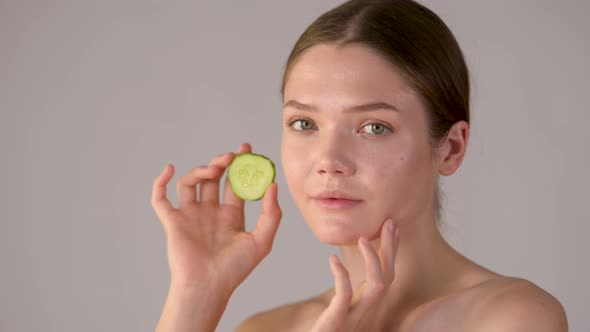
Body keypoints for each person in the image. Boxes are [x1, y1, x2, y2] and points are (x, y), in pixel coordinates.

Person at [151, 0, 568, 331]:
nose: (329, 161)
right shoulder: (265, 329)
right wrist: (195, 295)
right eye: (304, 123)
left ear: (450, 149)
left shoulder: (512, 319)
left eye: (373, 127)